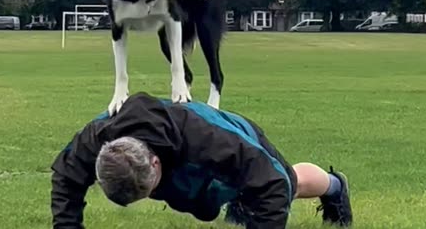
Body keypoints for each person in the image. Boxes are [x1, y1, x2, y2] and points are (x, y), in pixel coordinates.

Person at [51, 92, 352, 229]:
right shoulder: (95, 138)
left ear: (155, 164)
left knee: (290, 183)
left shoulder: (213, 141)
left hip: (232, 140)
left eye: (146, 192)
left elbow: (274, 184)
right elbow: (66, 178)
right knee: (219, 205)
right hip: (182, 167)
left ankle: (336, 187)